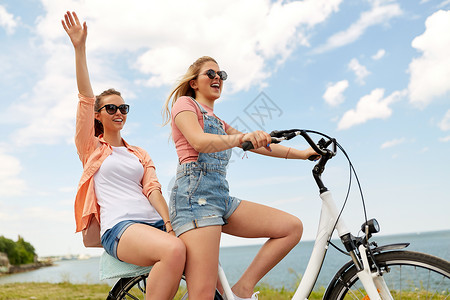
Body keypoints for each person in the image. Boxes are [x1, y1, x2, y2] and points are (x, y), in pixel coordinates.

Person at [163, 56, 320, 300]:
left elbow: (259, 146)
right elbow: (199, 141)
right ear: (194, 82)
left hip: (219, 196)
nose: (218, 78)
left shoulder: (219, 122)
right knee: (203, 294)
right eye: (211, 74)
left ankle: (242, 289)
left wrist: (303, 154)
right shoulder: (185, 104)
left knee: (291, 228)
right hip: (195, 199)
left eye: (221, 75)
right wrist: (241, 139)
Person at [62, 11, 185, 300]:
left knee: (203, 250)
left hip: (153, 222)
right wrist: (80, 49)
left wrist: (169, 224)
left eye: (123, 108)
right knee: (174, 250)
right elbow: (85, 98)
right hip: (120, 227)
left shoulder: (138, 153)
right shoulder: (91, 148)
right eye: (112, 108)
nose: (119, 112)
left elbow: (152, 189)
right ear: (99, 115)